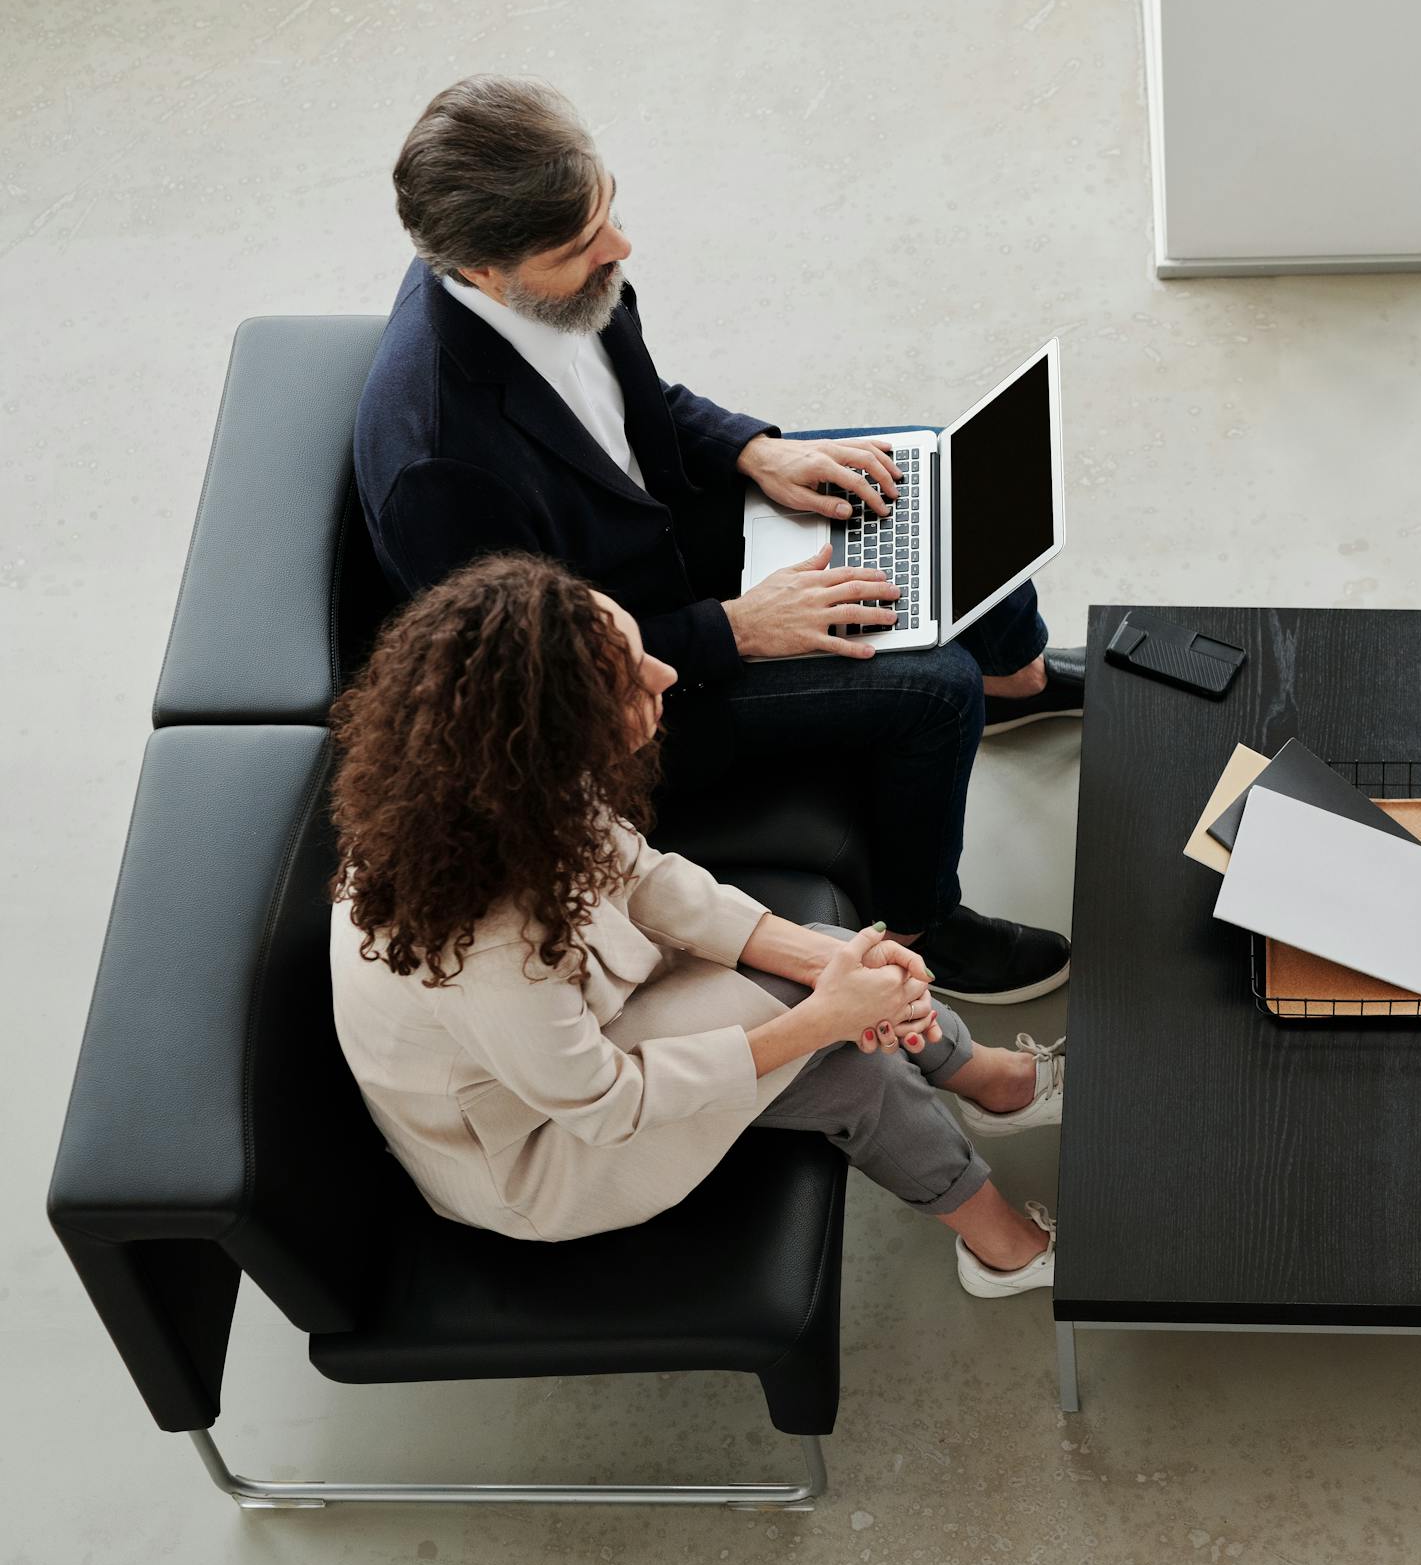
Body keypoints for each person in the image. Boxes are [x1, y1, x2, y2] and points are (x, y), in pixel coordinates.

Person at [354, 74, 1075, 1002]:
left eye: (609, 207)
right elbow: (543, 686)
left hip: (650, 540)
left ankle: (1013, 676)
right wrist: (739, 627)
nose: (620, 246)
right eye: (584, 244)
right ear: (486, 270)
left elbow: (629, 408)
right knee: (934, 692)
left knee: (923, 477)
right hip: (640, 686)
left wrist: (754, 450)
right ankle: (922, 926)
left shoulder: (545, 278)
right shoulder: (440, 469)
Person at [328, 553, 1063, 1295]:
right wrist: (826, 1015)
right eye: (631, 678)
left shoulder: (505, 789)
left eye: (641, 649)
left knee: (846, 970)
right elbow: (607, 1102)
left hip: (584, 1035)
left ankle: (992, 1086)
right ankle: (1004, 1238)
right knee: (856, 1072)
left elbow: (643, 876)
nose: (666, 676)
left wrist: (823, 963)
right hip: (541, 1146)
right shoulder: (484, 945)